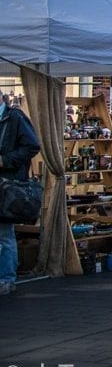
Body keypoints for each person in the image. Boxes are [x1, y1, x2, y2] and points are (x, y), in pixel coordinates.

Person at [0, 94, 40, 296]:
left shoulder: (14, 117)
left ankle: (6, 279)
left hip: (7, 184)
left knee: (5, 233)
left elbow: (32, 146)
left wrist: (6, 160)